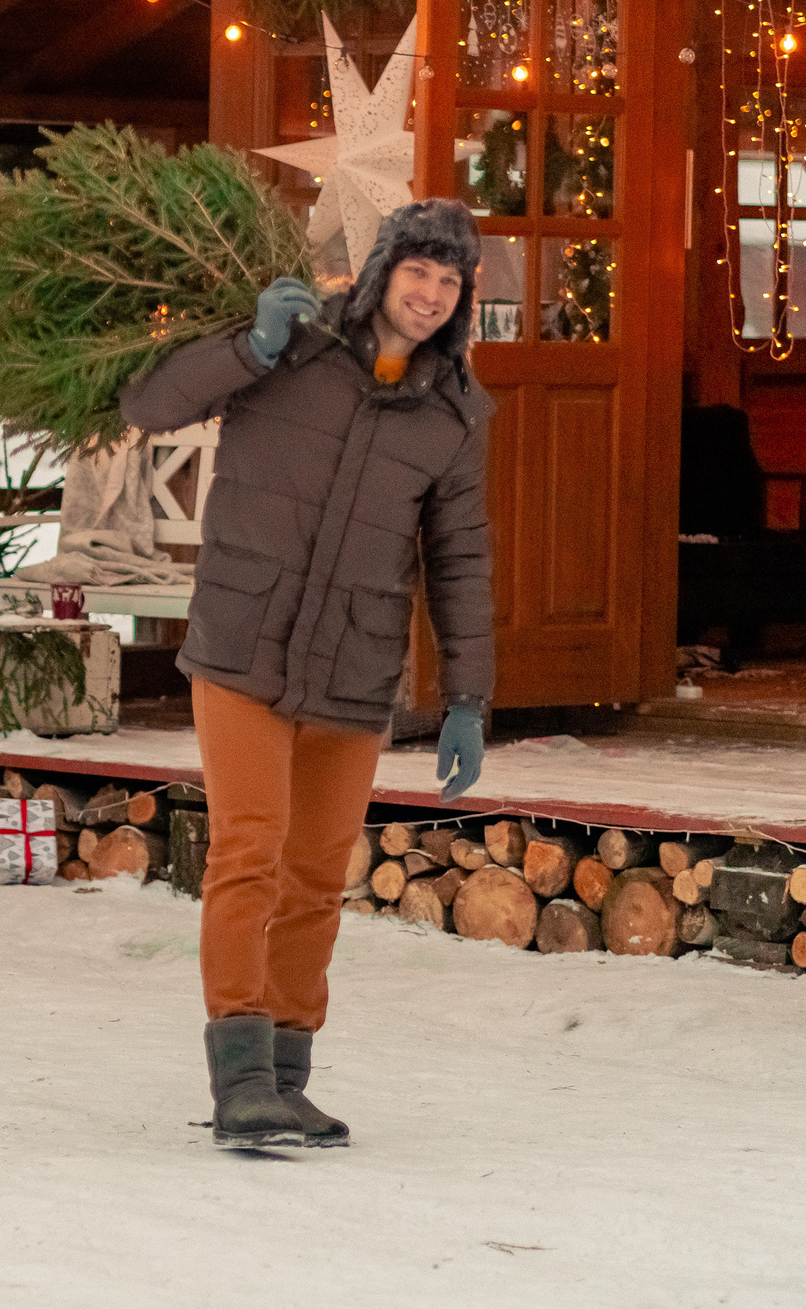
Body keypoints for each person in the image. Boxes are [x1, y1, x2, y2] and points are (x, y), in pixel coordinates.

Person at [119, 199, 495, 1151]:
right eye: (417, 271)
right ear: (383, 271)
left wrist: (468, 697)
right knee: (249, 851)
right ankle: (240, 1077)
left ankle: (285, 1077)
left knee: (318, 875)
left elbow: (460, 560)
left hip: (354, 667)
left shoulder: (453, 413)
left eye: (449, 281)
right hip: (244, 642)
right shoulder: (292, 344)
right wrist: (246, 347)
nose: (430, 293)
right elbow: (148, 404)